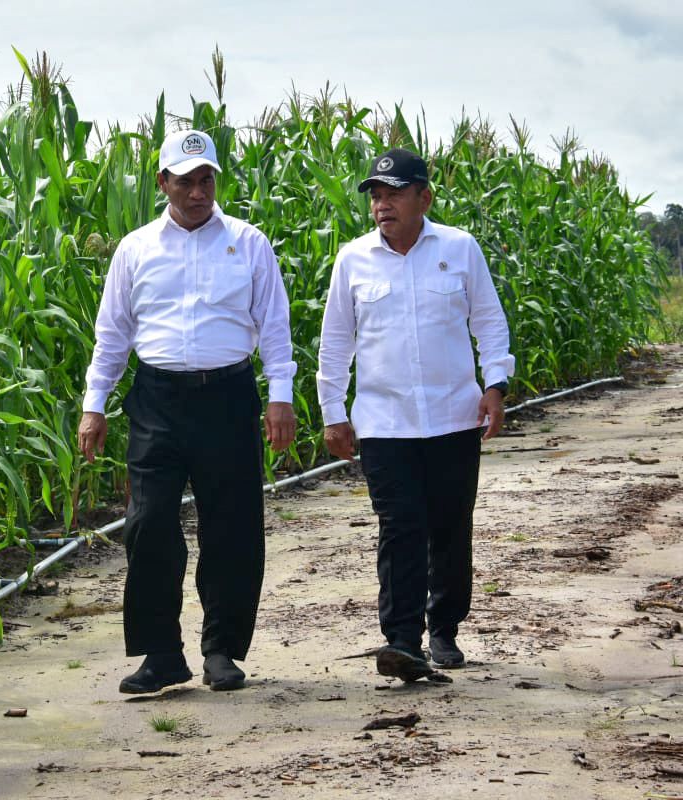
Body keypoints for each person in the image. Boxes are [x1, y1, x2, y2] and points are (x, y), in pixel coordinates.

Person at [77, 129, 297, 693]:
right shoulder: (135, 249)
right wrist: (94, 405)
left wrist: (281, 395)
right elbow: (113, 333)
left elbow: (273, 325)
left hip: (228, 397)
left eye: (207, 180)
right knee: (148, 525)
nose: (199, 192)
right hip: (157, 401)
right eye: (186, 181)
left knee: (232, 528)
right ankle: (161, 655)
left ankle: (222, 650)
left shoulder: (248, 243)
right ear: (162, 183)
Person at [317, 148, 515, 682]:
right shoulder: (352, 261)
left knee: (450, 526)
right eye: (376, 195)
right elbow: (336, 342)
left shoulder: (459, 249)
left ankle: (444, 627)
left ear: (424, 197)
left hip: (453, 416)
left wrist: (495, 386)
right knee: (400, 525)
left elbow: (490, 325)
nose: (383, 204)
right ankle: (401, 638)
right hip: (385, 423)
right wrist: (333, 412)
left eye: (394, 193)